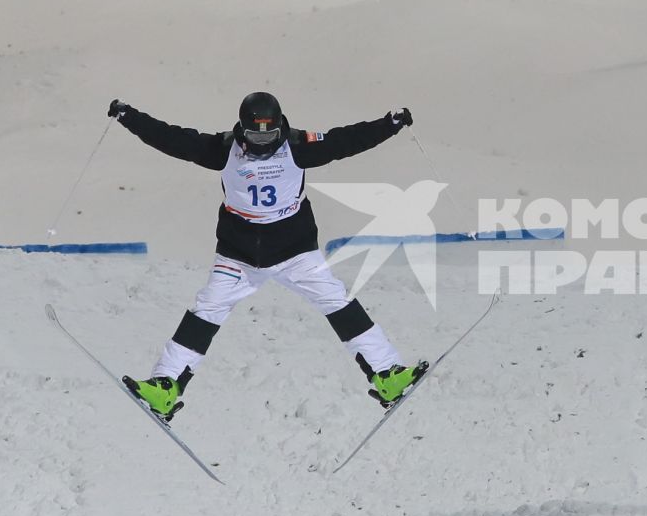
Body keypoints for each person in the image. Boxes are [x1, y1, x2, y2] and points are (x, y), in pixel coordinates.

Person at [105, 91, 426, 420]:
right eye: (255, 135)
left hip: (295, 251)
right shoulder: (223, 149)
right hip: (239, 255)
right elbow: (172, 138)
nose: (262, 143)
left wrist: (390, 124)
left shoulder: (299, 146)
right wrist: (130, 118)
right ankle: (166, 386)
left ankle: (387, 375)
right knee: (206, 310)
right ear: (243, 130)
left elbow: (348, 140)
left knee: (337, 300)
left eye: (269, 135)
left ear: (280, 129)